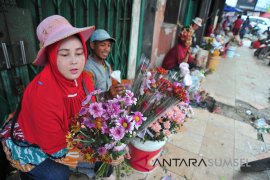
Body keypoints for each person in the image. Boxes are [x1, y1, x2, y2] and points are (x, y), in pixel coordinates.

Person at [0, 15, 122, 179]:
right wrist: (100, 154)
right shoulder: (41, 94)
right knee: (58, 174)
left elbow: (91, 116)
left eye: (79, 53)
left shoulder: (85, 79)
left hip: (67, 136)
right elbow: (56, 151)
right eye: (64, 54)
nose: (74, 61)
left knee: (105, 164)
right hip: (35, 144)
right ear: (51, 56)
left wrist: (112, 141)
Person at [84, 29, 125, 97]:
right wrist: (107, 95)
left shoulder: (107, 65)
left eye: (109, 45)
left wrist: (118, 89)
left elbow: (114, 84)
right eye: (103, 45)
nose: (107, 49)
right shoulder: (87, 69)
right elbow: (88, 98)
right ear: (92, 45)